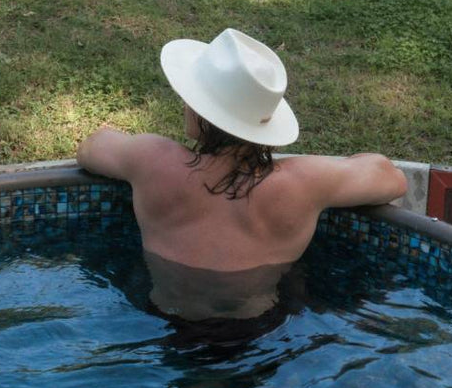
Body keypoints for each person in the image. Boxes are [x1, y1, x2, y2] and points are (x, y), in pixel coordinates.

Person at [76, 28, 407, 320]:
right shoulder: (303, 184)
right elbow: (391, 177)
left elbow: (91, 147)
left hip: (165, 321)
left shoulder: (151, 160)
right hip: (260, 332)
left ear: (201, 111)